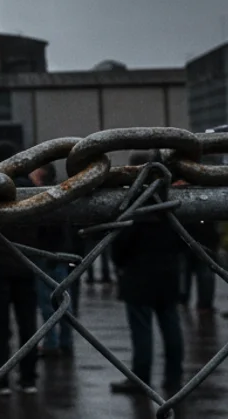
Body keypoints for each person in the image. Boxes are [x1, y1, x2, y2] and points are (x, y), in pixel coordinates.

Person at [110, 151, 185, 396]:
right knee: (171, 325)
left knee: (142, 331)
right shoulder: (171, 200)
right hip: (167, 272)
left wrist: (119, 262)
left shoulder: (132, 200)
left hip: (137, 274)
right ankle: (174, 378)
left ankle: (140, 379)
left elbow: (121, 242)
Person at [0, 140, 39, 395]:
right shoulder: (35, 190)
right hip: (27, 264)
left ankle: (1, 379)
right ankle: (28, 379)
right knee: (28, 325)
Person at [31, 163, 77, 358]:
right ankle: (65, 342)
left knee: (48, 302)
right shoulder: (61, 194)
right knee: (64, 301)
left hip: (46, 254)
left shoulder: (42, 197)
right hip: (61, 254)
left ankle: (52, 343)